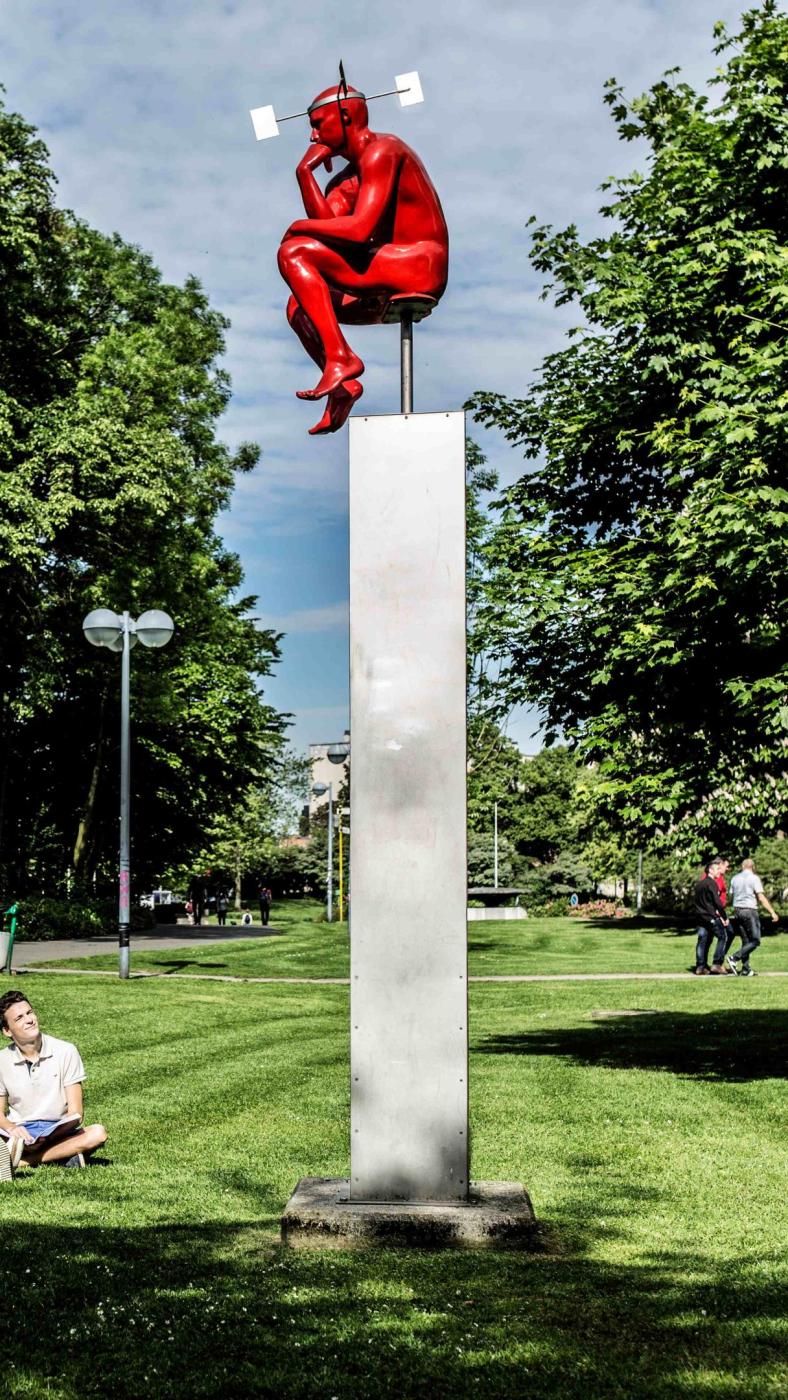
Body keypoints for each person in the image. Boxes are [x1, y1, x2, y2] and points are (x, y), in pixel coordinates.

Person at [278, 77, 449, 434]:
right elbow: (332, 236)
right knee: (299, 306)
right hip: (384, 268)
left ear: (344, 115)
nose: (313, 137)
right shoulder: (344, 179)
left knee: (295, 251)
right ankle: (342, 385)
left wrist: (298, 227)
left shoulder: (383, 151)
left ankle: (341, 358)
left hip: (417, 262)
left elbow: (359, 231)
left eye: (317, 126)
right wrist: (304, 174)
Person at [0, 991, 107, 1175]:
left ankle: (20, 1161)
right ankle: (64, 1156)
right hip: (21, 1132)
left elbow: (76, 1112)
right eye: (19, 1018)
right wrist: (13, 1129)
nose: (29, 1019)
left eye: (30, 1012)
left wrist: (57, 1129)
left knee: (98, 1133)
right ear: (7, 1031)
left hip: (57, 1131)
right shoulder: (1, 1060)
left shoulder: (66, 1051)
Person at [725, 857, 779, 976]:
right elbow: (760, 897)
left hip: (738, 911)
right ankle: (734, 958)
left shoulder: (735, 878)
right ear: (753, 867)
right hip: (749, 911)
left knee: (746, 941)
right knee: (755, 940)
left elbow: (730, 896)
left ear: (742, 867)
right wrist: (772, 912)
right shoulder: (754, 878)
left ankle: (746, 969)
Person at [694, 858, 732, 975]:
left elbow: (696, 902)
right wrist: (724, 917)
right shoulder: (712, 884)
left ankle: (700, 966)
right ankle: (717, 963)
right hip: (710, 917)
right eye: (716, 869)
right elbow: (717, 903)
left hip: (700, 917)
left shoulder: (699, 884)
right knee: (723, 937)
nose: (718, 871)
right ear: (710, 870)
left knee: (703, 940)